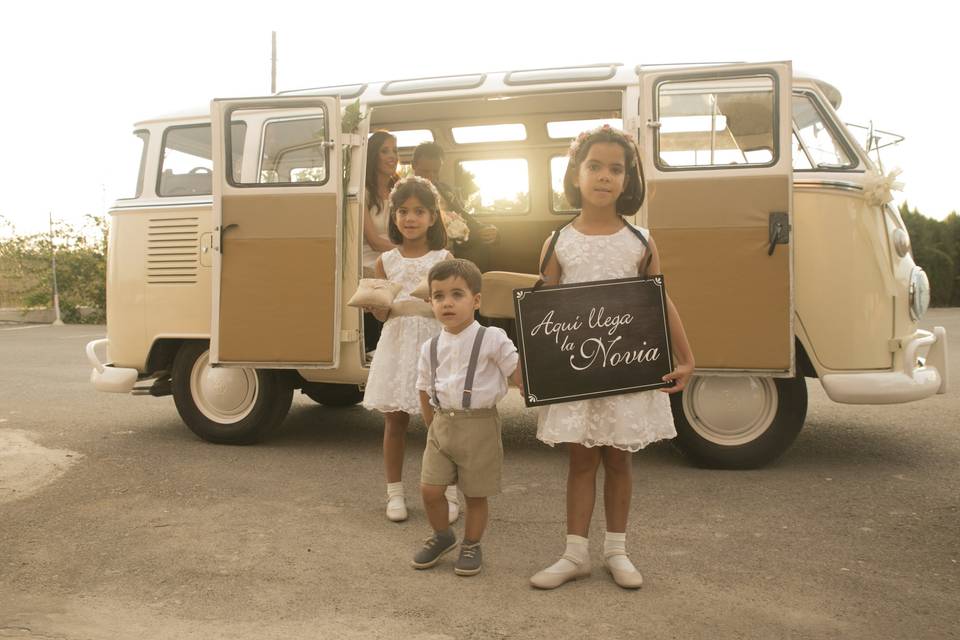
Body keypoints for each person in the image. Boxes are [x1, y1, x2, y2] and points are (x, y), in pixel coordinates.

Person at [529, 125, 695, 590]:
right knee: (581, 460)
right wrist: (528, 364)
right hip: (579, 371)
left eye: (616, 169)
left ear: (628, 179)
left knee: (619, 460)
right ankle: (574, 554)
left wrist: (686, 355)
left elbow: (660, 300)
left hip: (627, 367)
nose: (605, 176)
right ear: (576, 174)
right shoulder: (558, 241)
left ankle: (617, 551)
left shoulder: (640, 241)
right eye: (595, 166)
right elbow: (543, 310)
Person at [410, 258, 522, 576]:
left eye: (457, 295)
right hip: (442, 424)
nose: (447, 302)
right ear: (430, 301)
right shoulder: (429, 347)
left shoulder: (492, 337)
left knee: (475, 494)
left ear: (475, 301)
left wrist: (534, 388)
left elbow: (516, 371)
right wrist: (433, 425)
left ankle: (472, 543)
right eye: (439, 295)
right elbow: (423, 387)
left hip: (480, 424)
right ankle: (443, 535)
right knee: (430, 490)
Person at [361, 176, 461, 525]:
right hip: (399, 342)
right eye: (403, 211)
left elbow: (453, 304)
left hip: (435, 342)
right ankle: (394, 493)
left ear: (433, 217)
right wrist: (377, 309)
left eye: (419, 211)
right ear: (394, 216)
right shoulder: (385, 261)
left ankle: (449, 491)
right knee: (395, 420)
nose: (410, 218)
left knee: (442, 421)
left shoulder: (444, 257)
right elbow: (386, 310)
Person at [411, 142, 498, 272]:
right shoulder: (406, 192)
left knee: (483, 250)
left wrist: (487, 229)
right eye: (425, 171)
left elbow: (462, 214)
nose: (431, 177)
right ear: (414, 166)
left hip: (454, 248)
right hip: (427, 248)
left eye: (435, 171)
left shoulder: (445, 190)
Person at [361, 131, 400, 351]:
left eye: (394, 151)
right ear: (373, 155)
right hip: (372, 259)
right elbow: (374, 241)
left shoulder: (399, 190)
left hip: (395, 256)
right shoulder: (364, 193)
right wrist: (407, 251)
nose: (392, 156)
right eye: (385, 151)